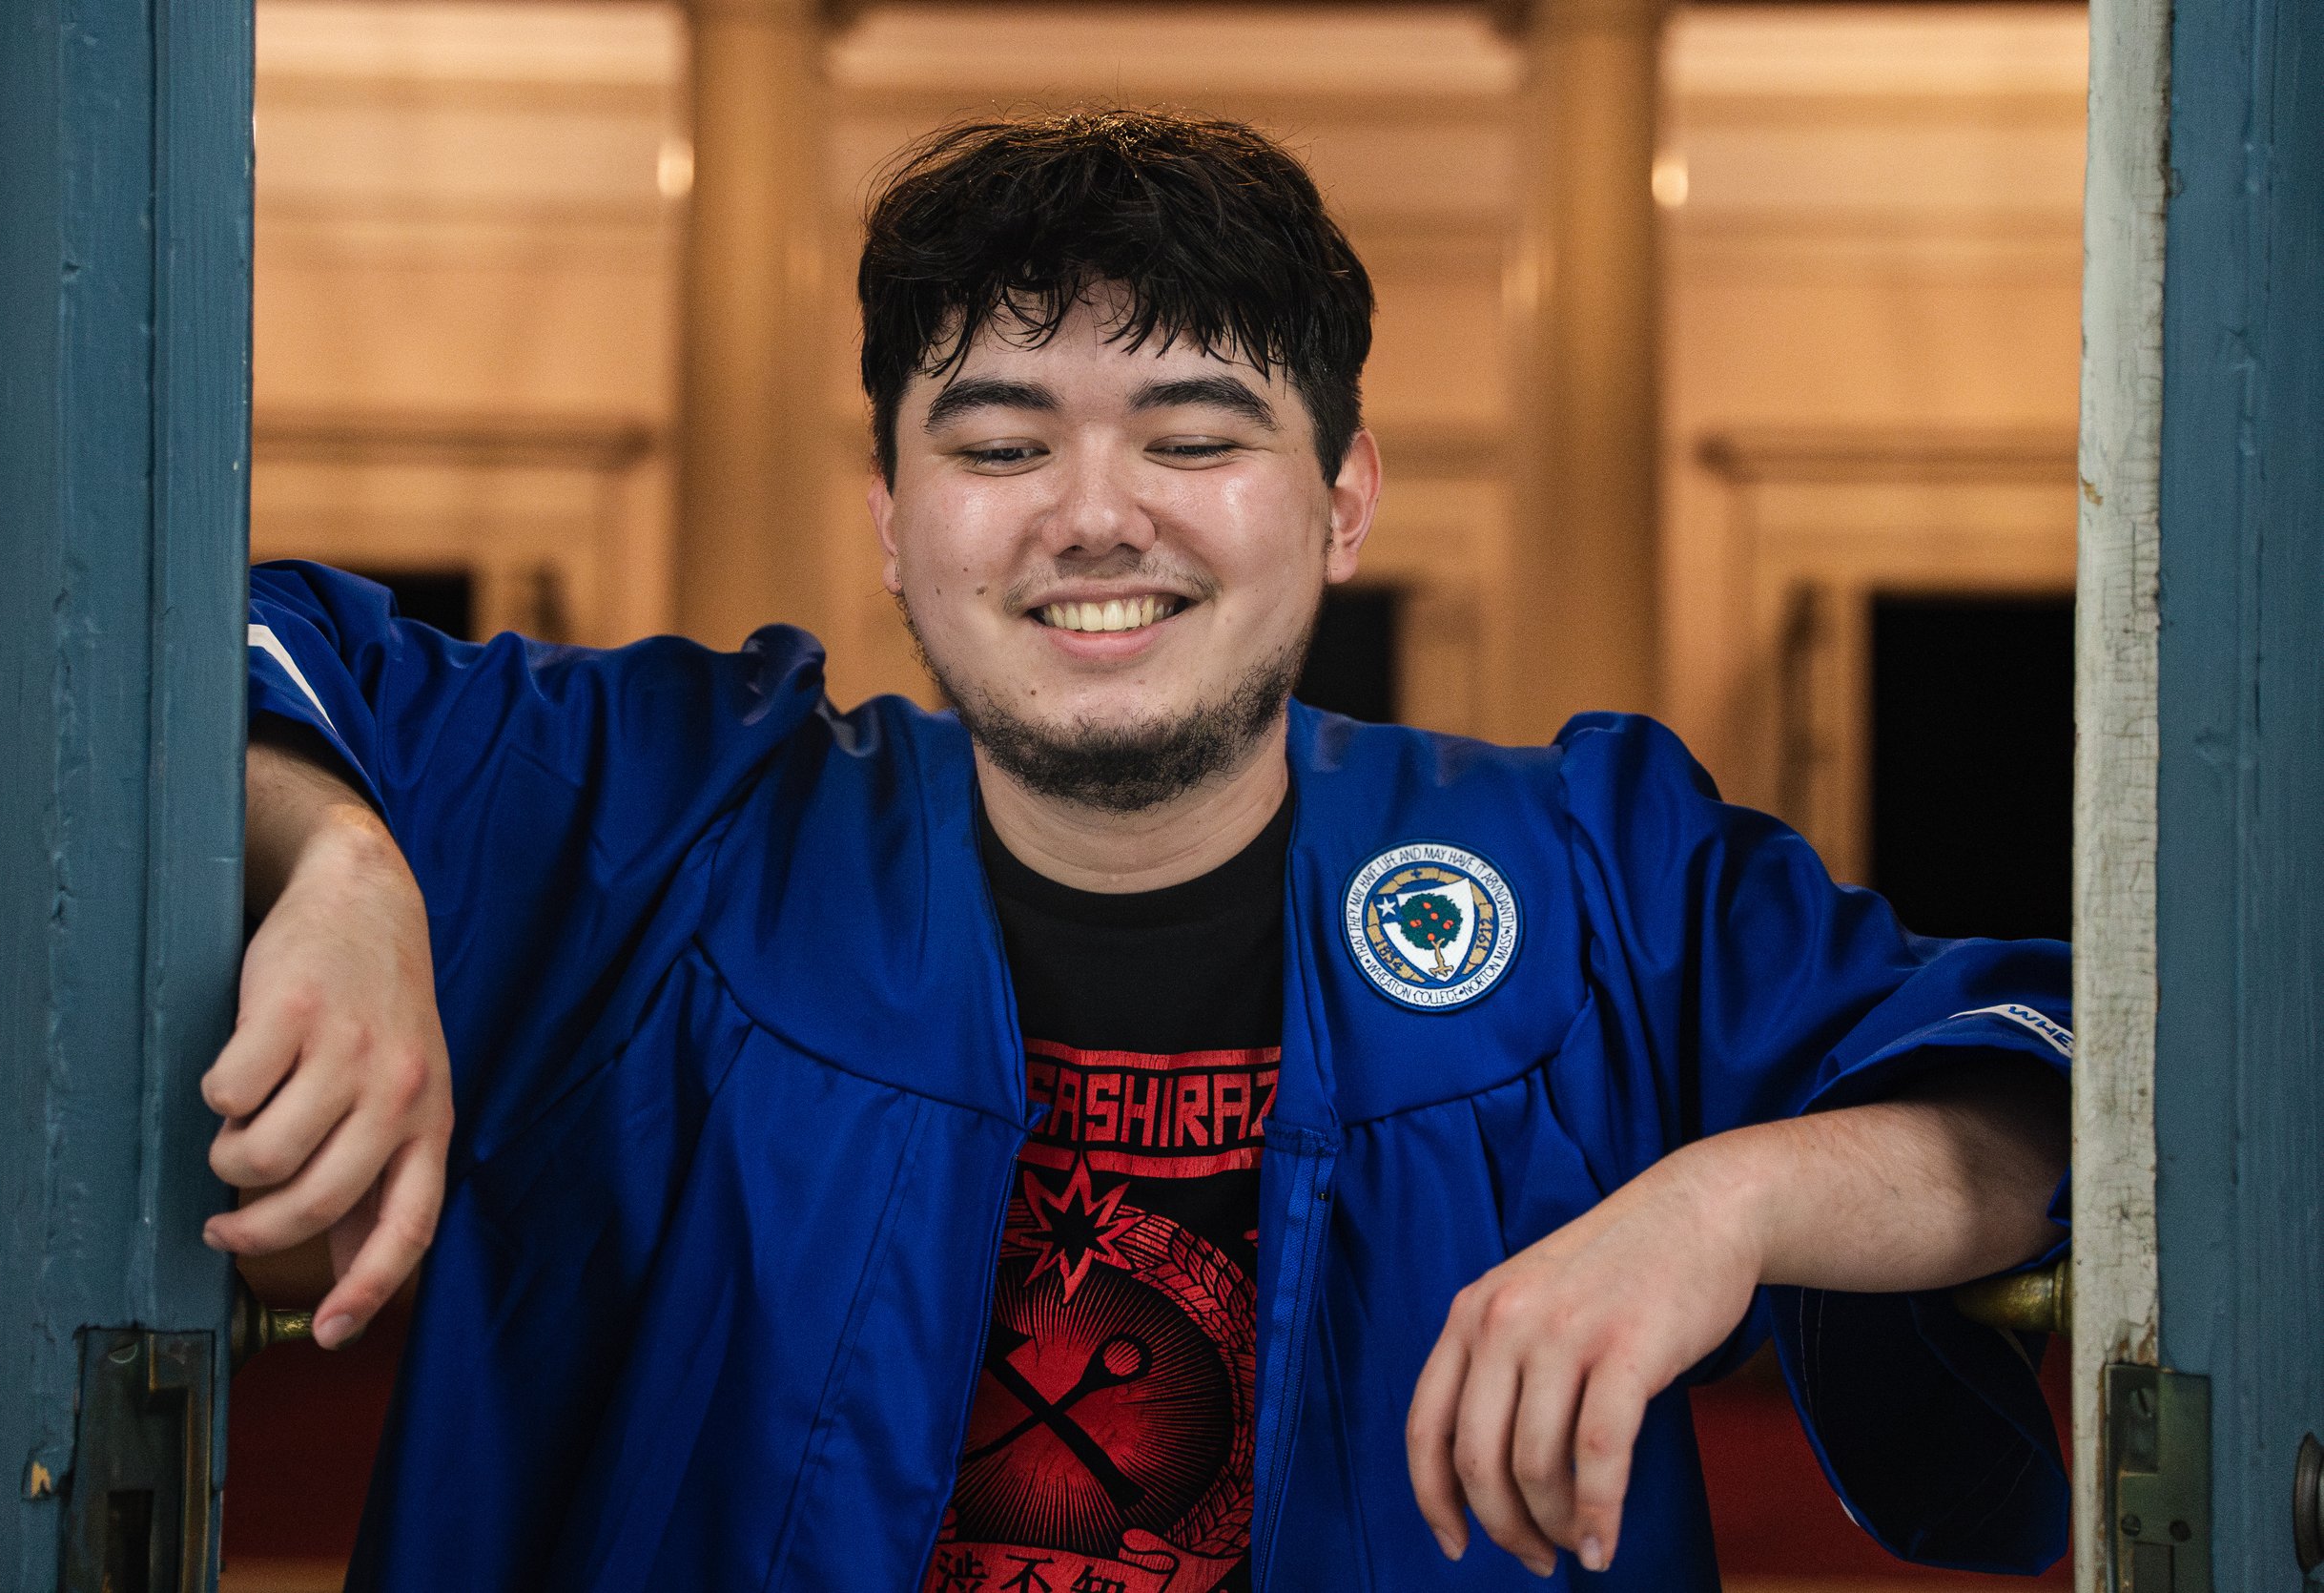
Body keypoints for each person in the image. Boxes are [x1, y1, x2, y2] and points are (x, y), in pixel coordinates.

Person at [209, 111, 2072, 1592]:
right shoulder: (669, 822)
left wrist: (1722, 1203)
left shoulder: (1587, 874)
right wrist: (341, 862)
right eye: (997, 445)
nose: (1094, 517)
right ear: (890, 515)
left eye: (1192, 437)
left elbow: (2044, 1106)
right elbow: (172, 656)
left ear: (1342, 502)